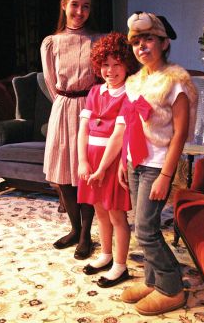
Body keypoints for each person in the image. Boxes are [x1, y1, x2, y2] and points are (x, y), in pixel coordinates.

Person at [118, 12, 198, 315]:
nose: (142, 46)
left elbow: (180, 134)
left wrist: (166, 174)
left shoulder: (175, 81)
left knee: (147, 229)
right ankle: (152, 279)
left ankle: (171, 288)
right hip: (135, 161)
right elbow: (130, 124)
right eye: (136, 42)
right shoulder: (136, 81)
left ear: (164, 43)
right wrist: (122, 163)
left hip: (157, 165)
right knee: (141, 224)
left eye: (148, 39)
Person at [41, 0, 102, 260]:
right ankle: (75, 229)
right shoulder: (51, 43)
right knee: (63, 175)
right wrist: (66, 105)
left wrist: (89, 108)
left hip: (90, 110)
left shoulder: (97, 40)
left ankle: (87, 234)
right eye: (75, 5)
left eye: (86, 7)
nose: (80, 12)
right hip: (63, 107)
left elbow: (105, 80)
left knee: (85, 174)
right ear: (64, 5)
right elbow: (52, 83)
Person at [77, 32, 139, 287]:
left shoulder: (129, 94)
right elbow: (83, 128)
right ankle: (105, 254)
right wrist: (82, 161)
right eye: (105, 64)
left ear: (127, 65)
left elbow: (118, 135)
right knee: (100, 211)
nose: (110, 70)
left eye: (116, 64)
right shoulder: (94, 91)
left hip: (111, 162)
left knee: (116, 216)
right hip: (91, 159)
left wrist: (102, 168)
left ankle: (121, 266)